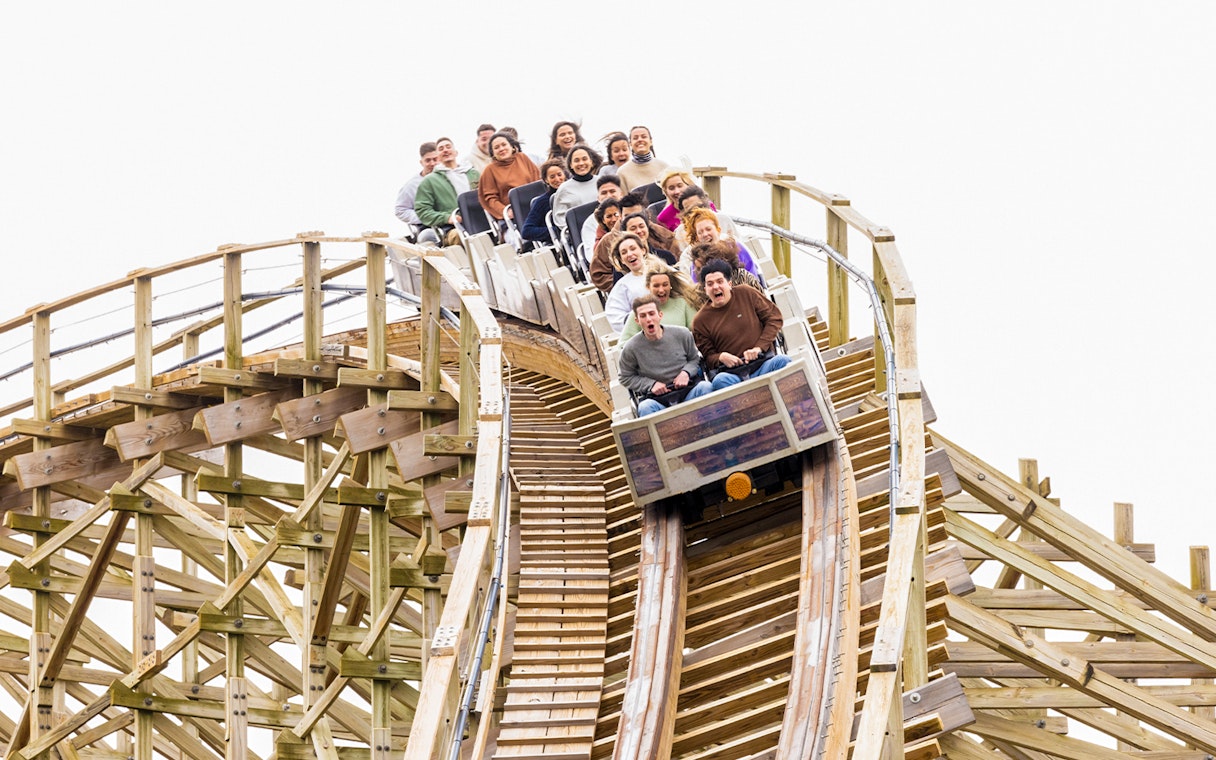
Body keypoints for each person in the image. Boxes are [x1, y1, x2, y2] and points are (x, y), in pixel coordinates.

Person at [692, 259, 790, 390]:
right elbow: (708, 357)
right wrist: (721, 357)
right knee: (719, 381)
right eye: (710, 284)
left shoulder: (746, 293)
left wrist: (758, 348)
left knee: (784, 361)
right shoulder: (700, 321)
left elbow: (774, 318)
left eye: (720, 282)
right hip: (733, 376)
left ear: (729, 283)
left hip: (763, 363)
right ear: (705, 290)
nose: (715, 287)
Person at [618, 294, 714, 417]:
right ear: (637, 320)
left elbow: (695, 359)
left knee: (705, 387)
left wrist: (686, 373)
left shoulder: (682, 334)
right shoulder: (631, 348)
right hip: (658, 399)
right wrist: (651, 384)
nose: (648, 319)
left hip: (688, 389)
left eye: (652, 314)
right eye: (643, 316)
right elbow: (625, 377)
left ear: (660, 315)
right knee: (645, 407)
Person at [590, 193, 675, 292]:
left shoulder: (660, 233)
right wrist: (626, 285)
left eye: (637, 215)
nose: (633, 220)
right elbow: (598, 274)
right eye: (627, 216)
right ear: (620, 217)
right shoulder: (608, 241)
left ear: (646, 215)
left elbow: (676, 258)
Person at [414, 137, 480, 246]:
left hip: (479, 221)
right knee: (459, 235)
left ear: (456, 152)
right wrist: (447, 218)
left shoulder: (473, 174)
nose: (445, 150)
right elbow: (423, 210)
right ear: (438, 157)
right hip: (452, 228)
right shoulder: (429, 181)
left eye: (448, 147)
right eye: (441, 148)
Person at [620, 264, 700, 340]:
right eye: (656, 286)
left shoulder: (683, 304)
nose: (661, 290)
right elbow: (622, 346)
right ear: (648, 287)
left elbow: (698, 333)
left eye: (665, 285)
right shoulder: (640, 311)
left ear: (670, 286)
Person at [682, 208, 763, 283]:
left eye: (708, 229)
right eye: (700, 232)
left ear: (718, 230)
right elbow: (697, 285)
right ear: (697, 237)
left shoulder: (735, 247)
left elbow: (752, 272)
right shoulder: (697, 260)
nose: (705, 234)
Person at [477, 131, 540, 223]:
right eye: (496, 147)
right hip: (512, 216)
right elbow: (490, 198)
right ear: (493, 153)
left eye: (504, 145)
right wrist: (505, 211)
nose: (501, 149)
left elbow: (537, 180)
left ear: (512, 147)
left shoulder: (522, 158)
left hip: (534, 207)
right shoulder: (489, 170)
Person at [603, 233, 654, 332]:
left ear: (643, 250)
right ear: (621, 260)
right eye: (624, 252)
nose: (630, 254)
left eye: (633, 248)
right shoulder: (622, 285)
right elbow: (615, 316)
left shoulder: (663, 272)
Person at [551, 144, 603, 231]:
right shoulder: (564, 189)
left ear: (591, 162)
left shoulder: (601, 182)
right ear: (571, 165)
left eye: (584, 159)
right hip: (579, 233)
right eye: (576, 160)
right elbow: (560, 220)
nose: (581, 163)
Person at [394, 141, 440, 241]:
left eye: (435, 159)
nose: (432, 163)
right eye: (428, 160)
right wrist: (423, 217)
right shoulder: (412, 186)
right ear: (421, 162)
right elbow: (400, 210)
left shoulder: (450, 177)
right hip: (429, 228)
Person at [671, 185, 738, 252]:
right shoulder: (681, 231)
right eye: (689, 209)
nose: (695, 211)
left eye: (697, 206)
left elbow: (738, 244)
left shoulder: (723, 219)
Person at [690, 241, 765, 295]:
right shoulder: (700, 291)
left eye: (703, 267)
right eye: (698, 269)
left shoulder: (742, 276)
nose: (701, 272)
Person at [521, 158, 567, 245]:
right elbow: (527, 231)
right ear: (546, 180)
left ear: (564, 175)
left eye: (559, 175)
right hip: (562, 242)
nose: (557, 179)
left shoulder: (575, 191)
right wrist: (556, 230)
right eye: (552, 177)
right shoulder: (541, 202)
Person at [578, 175, 622, 256]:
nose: (608, 196)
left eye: (612, 191)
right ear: (598, 198)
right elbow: (591, 256)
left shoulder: (630, 210)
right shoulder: (590, 223)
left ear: (621, 194)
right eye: (604, 193)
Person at [617, 125, 670, 192]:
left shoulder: (664, 167)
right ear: (630, 144)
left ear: (651, 141)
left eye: (644, 137)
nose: (640, 140)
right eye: (635, 138)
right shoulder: (622, 172)